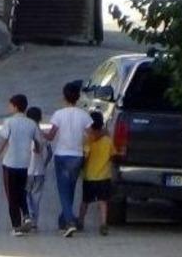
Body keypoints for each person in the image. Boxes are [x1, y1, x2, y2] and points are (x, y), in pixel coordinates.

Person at [45, 80, 93, 237]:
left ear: (64, 97)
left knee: (63, 190)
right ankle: (63, 219)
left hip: (61, 155)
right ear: (78, 97)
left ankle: (70, 222)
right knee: (70, 189)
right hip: (77, 156)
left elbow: (51, 136)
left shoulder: (58, 114)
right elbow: (91, 135)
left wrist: (38, 132)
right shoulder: (84, 115)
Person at [0, 95, 44, 236]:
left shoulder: (9, 122)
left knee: (11, 196)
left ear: (15, 107)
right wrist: (38, 150)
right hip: (24, 164)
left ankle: (16, 226)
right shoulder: (31, 124)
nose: (8, 107)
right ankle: (27, 216)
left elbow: (3, 140)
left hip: (10, 163)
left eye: (10, 105)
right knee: (22, 192)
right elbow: (39, 142)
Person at [79, 111, 117, 236]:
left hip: (89, 176)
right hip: (104, 176)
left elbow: (85, 156)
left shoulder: (88, 141)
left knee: (85, 201)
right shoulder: (108, 140)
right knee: (103, 201)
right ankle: (103, 223)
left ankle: (80, 221)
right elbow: (113, 155)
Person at [25, 106, 52, 231]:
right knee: (36, 196)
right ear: (40, 118)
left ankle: (28, 216)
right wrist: (44, 164)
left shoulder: (25, 134)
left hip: (26, 170)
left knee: (25, 194)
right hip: (39, 171)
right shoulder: (42, 134)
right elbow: (50, 153)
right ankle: (34, 221)